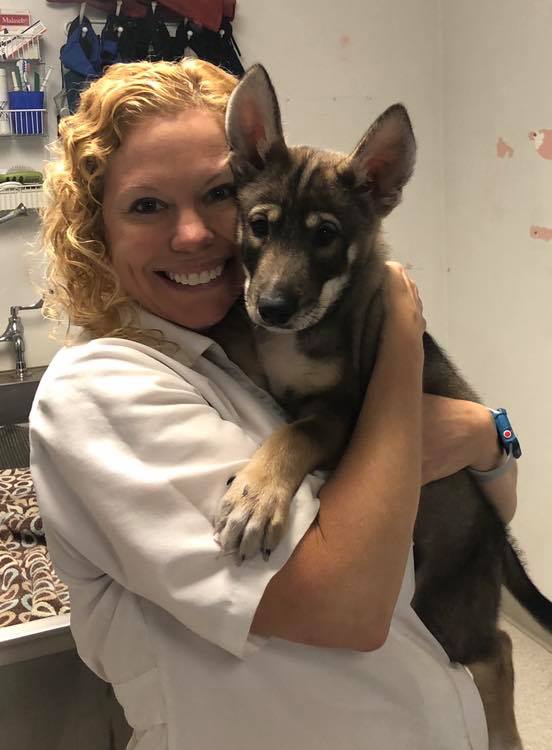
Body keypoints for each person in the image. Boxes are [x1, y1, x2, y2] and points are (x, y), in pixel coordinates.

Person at [31, 57, 518, 750]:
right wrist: (402, 317)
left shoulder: (246, 347)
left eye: (218, 194)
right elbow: (348, 605)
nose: (196, 235)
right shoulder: (98, 392)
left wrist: (489, 433)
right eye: (147, 205)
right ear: (94, 228)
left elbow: (485, 504)